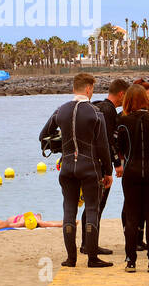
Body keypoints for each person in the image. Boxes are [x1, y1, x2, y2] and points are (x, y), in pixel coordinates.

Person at [38, 73, 114, 267]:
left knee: (69, 209)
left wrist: (62, 145)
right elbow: (104, 146)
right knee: (91, 209)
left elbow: (43, 136)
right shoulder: (95, 112)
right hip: (90, 167)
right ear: (89, 89)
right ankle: (92, 258)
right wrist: (108, 171)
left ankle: (71, 259)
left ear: (74, 88)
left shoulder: (60, 110)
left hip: (67, 167)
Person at [113, 83, 149, 272]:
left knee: (132, 217)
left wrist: (124, 158)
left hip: (131, 171)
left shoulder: (123, 122)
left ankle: (131, 261)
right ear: (146, 99)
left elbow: (118, 147)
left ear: (127, 100)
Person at [89, 78, 128, 256]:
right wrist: (116, 164)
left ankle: (87, 242)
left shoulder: (100, 106)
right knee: (97, 205)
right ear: (121, 94)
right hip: (100, 165)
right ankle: (90, 244)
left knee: (94, 205)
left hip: (91, 161)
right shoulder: (109, 111)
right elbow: (108, 141)